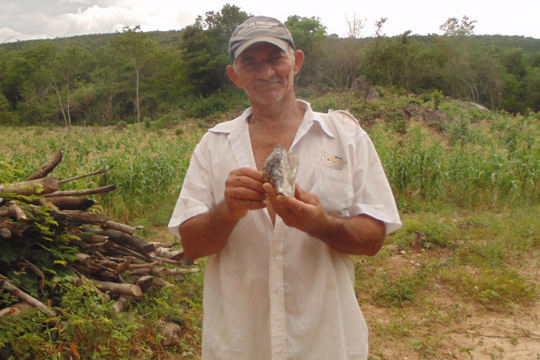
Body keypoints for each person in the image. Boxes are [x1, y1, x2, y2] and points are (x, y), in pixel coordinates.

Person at [168, 15, 402, 360]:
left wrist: (319, 224)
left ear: (297, 62)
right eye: (250, 62)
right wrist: (228, 211)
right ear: (234, 76)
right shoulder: (212, 145)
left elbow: (374, 239)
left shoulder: (346, 137)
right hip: (240, 342)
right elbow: (191, 244)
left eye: (275, 58)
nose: (264, 73)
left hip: (324, 341)